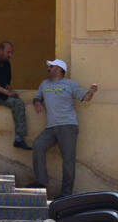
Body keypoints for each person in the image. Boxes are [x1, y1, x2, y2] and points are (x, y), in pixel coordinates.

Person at [32, 59, 98, 196]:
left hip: (68, 126)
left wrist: (91, 92)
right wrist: (37, 103)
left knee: (68, 160)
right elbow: (37, 97)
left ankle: (66, 193)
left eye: (51, 66)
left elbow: (85, 98)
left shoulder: (70, 84)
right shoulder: (44, 84)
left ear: (59, 69)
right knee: (38, 145)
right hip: (50, 127)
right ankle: (41, 181)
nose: (49, 68)